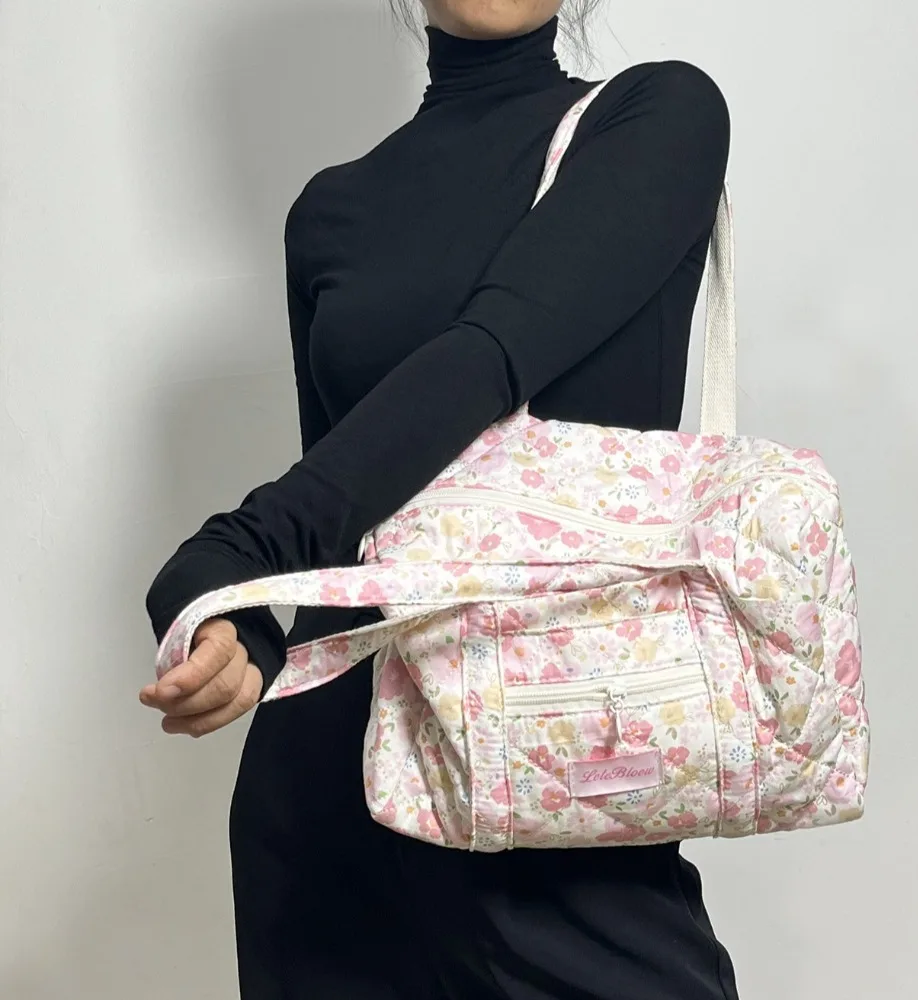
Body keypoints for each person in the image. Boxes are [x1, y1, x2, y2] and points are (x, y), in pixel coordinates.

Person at [140, 2, 738, 997]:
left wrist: (235, 547)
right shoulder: (328, 213)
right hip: (331, 813)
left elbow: (489, 355)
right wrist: (238, 622)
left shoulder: (657, 117)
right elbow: (346, 513)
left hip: (555, 789)